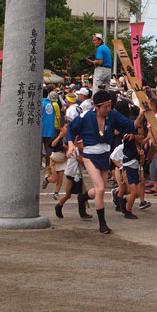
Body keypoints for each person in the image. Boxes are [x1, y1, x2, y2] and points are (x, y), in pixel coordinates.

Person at [66, 89, 139, 234]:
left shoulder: (112, 115)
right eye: (105, 107)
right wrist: (70, 144)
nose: (108, 109)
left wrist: (142, 115)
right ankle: (102, 223)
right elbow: (71, 130)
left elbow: (130, 126)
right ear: (97, 106)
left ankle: (83, 197)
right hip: (89, 156)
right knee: (100, 189)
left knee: (99, 189)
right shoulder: (85, 116)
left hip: (105, 155)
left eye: (110, 106)